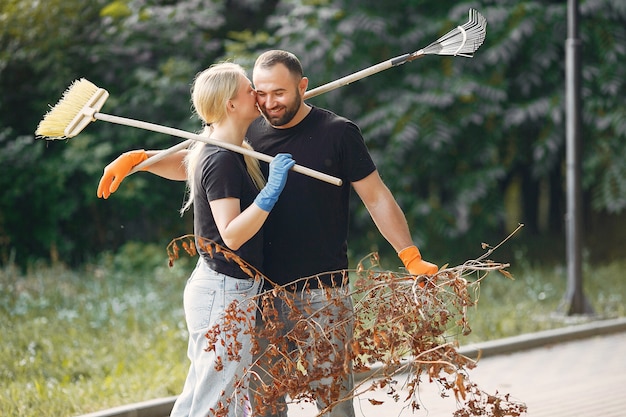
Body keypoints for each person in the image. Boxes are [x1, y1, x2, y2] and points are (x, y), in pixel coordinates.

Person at [97, 50, 438, 417]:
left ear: (303, 87)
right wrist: (142, 160)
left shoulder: (338, 132)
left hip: (322, 294)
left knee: (334, 402)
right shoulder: (247, 128)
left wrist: (409, 254)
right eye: (260, 92)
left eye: (280, 93)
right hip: (259, 295)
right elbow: (199, 164)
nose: (269, 102)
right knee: (262, 405)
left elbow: (377, 197)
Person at [97, 62, 295, 417]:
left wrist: (140, 160)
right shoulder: (222, 157)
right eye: (250, 87)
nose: (258, 93)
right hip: (223, 293)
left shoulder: (226, 148)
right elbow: (232, 234)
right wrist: (273, 190)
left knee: (215, 397)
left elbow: (184, 165)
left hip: (225, 287)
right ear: (231, 104)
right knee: (215, 401)